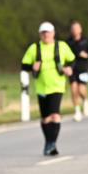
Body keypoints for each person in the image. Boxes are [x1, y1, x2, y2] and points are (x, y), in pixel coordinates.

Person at [21, 22, 75, 156]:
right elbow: (24, 65)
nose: (46, 35)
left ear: (53, 33)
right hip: (41, 87)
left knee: (55, 115)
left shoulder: (61, 46)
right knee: (45, 118)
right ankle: (49, 143)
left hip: (57, 85)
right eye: (43, 32)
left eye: (48, 32)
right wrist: (32, 67)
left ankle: (52, 143)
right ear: (40, 34)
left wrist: (69, 68)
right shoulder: (34, 48)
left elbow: (72, 60)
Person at [66, 20, 88, 121]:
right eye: (73, 29)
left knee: (81, 89)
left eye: (76, 28)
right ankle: (77, 111)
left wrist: (86, 55)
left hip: (83, 68)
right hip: (72, 69)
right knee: (73, 89)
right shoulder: (68, 42)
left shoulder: (86, 40)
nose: (75, 30)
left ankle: (85, 101)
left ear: (80, 29)